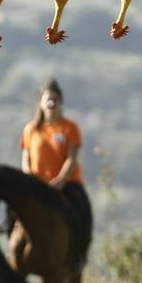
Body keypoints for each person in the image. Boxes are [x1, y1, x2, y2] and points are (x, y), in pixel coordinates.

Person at [19, 78, 92, 260]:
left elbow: (71, 159)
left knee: (82, 213)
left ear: (61, 102)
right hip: (36, 185)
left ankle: (79, 254)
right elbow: (26, 158)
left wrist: (58, 183)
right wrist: (28, 180)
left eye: (55, 99)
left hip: (67, 185)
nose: (51, 102)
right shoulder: (31, 129)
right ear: (41, 103)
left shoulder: (69, 128)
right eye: (48, 99)